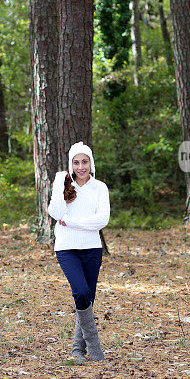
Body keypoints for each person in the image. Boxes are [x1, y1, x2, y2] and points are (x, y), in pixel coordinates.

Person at [48, 141, 110, 362]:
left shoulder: (100, 187)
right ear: (70, 165)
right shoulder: (63, 185)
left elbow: (101, 220)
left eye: (85, 161)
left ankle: (77, 350)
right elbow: (55, 212)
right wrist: (58, 182)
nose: (81, 166)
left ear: (91, 163)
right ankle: (94, 346)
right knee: (81, 292)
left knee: (88, 299)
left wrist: (71, 221)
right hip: (66, 248)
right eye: (76, 162)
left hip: (92, 249)